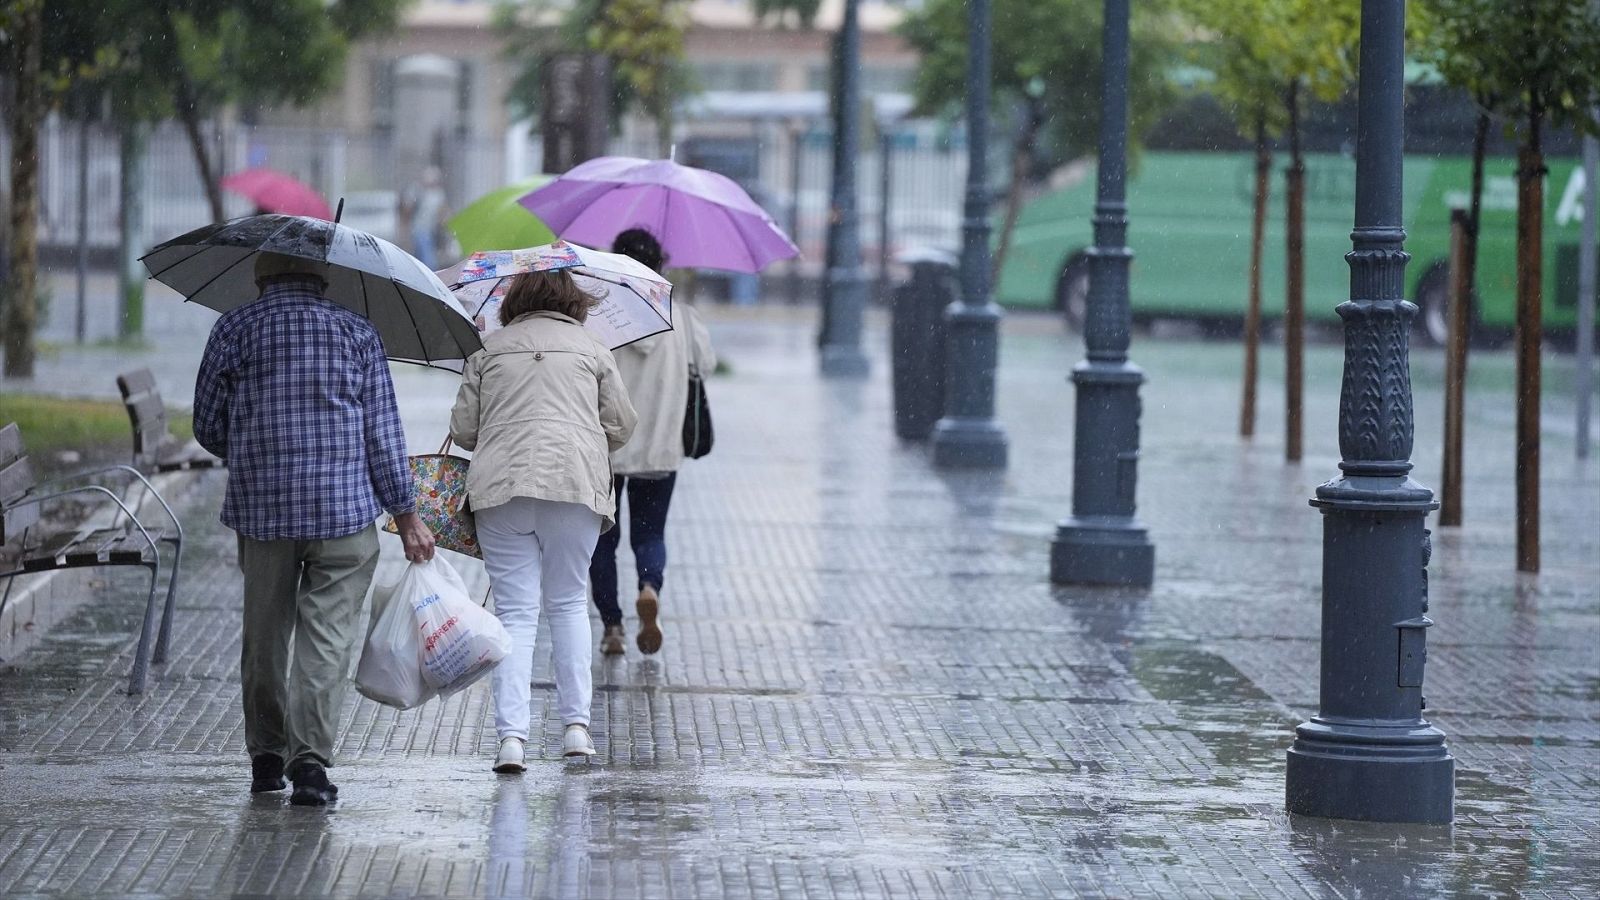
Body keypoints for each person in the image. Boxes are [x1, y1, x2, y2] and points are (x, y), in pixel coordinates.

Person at [193, 252, 435, 807]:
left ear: (260, 275)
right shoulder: (357, 333)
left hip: (264, 513)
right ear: (324, 277)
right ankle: (309, 767)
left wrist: (255, 442)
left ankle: (265, 760)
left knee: (264, 637)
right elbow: (382, 436)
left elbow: (207, 424)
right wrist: (406, 515)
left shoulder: (234, 328)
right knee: (325, 641)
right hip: (343, 515)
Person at [449, 269, 636, 772]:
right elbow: (621, 425)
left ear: (514, 301)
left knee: (515, 615)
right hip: (573, 485)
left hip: (501, 488)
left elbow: (463, 430)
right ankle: (577, 730)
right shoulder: (593, 349)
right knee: (570, 603)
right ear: (573, 301)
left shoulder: (488, 351)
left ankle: (512, 738)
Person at [589, 228, 716, 656]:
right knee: (650, 534)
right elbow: (707, 366)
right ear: (660, 264)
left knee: (602, 539)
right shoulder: (682, 318)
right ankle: (648, 586)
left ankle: (612, 627)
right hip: (661, 448)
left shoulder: (602, 318)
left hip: (605, 447)